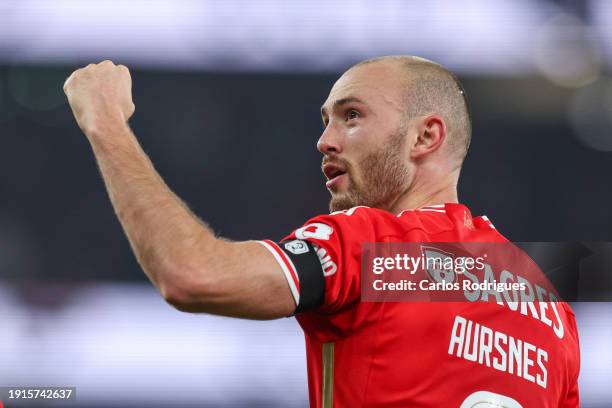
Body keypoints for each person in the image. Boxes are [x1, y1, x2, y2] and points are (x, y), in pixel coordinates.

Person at [63, 56, 580, 407]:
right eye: (326, 120)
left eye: (351, 116)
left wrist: (105, 122)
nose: (324, 141)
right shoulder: (548, 304)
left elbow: (192, 275)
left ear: (426, 136)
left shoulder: (375, 246)